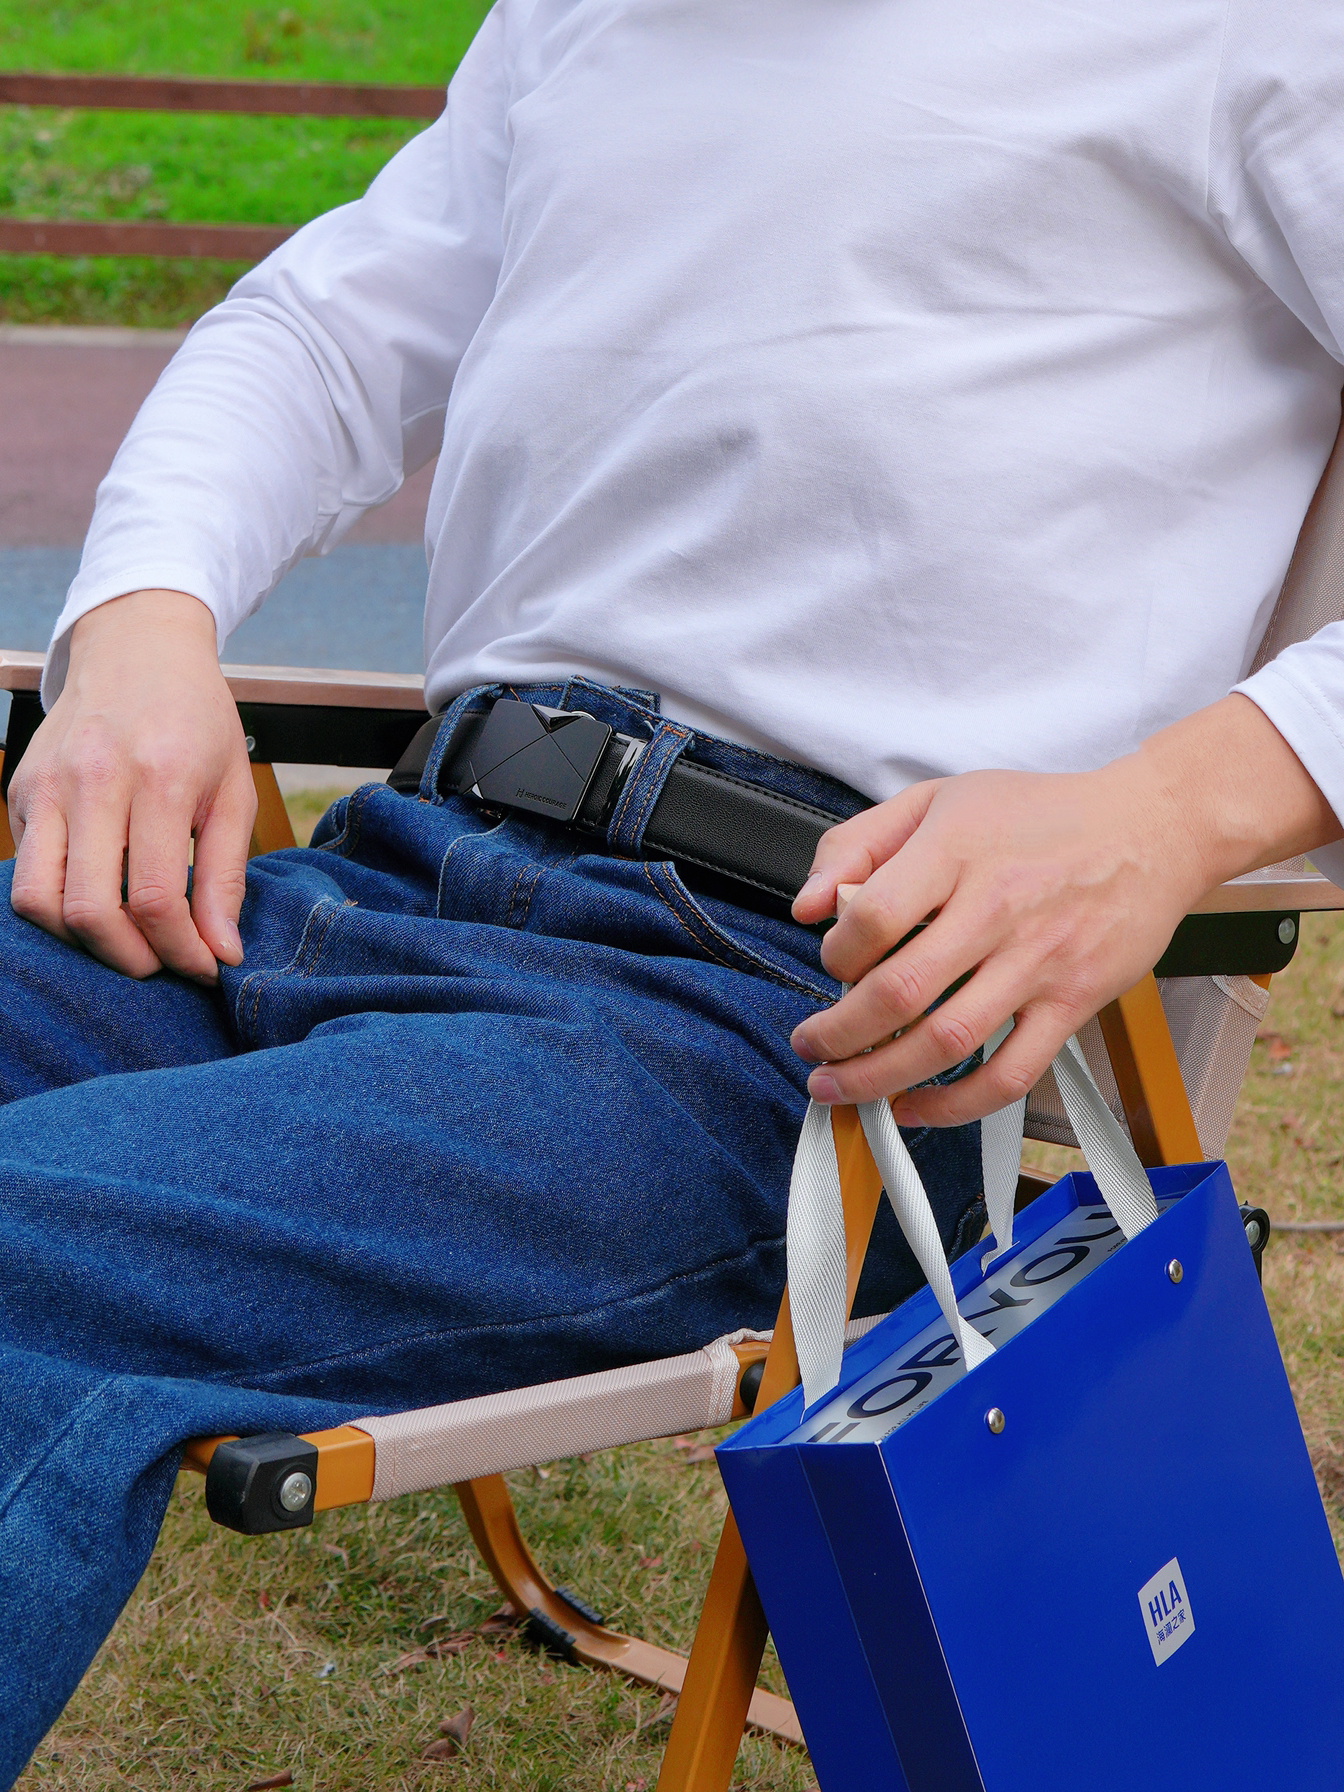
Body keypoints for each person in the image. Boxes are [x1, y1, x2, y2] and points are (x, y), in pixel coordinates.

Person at [3, 0, 1344, 1778]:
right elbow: (321, 331)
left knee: (31, 1255)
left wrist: (1165, 813)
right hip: (371, 876)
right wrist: (141, 620)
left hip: (771, 1013)